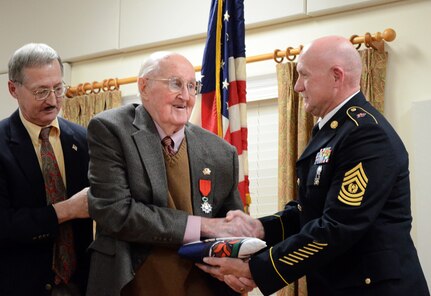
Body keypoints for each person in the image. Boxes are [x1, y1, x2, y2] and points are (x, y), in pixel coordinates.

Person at [197, 35, 430, 296]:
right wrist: (260, 228)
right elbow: (310, 210)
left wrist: (258, 269)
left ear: (336, 76)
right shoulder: (332, 130)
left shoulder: (364, 134)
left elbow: (338, 226)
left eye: (304, 75)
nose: (297, 87)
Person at [85, 52, 254, 296]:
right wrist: (202, 226)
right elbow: (115, 213)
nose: (185, 96)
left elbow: (230, 228)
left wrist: (242, 265)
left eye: (191, 86)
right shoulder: (111, 130)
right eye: (175, 83)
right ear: (144, 86)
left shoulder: (221, 152)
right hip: (134, 285)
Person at [0, 43, 93, 296]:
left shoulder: (83, 139)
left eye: (58, 88)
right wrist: (66, 210)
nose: (53, 100)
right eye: (41, 91)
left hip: (80, 284)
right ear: (13, 89)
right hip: (20, 285)